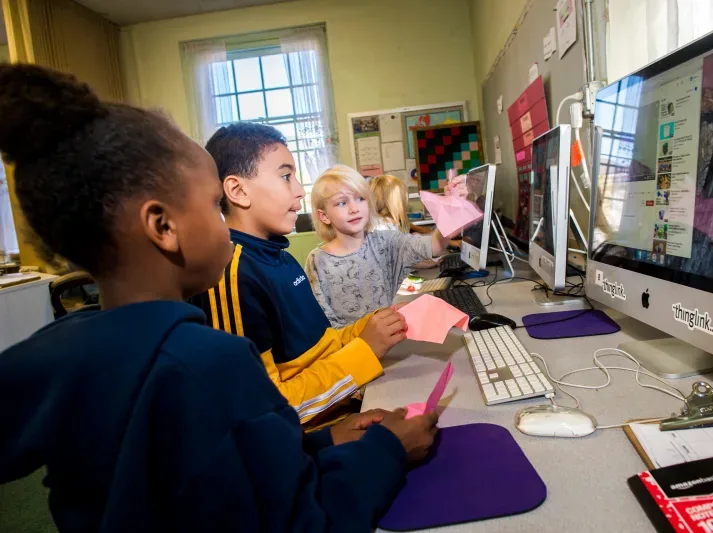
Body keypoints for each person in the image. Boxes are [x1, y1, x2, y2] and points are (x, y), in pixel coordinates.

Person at [0, 64, 438, 533]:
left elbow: (199, 474)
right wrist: (388, 451)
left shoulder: (57, 350)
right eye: (214, 205)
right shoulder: (209, 363)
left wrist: (321, 442)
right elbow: (300, 521)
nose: (225, 222)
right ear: (163, 226)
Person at [191, 123, 407, 425]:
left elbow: (320, 350)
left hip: (343, 408)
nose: (300, 190)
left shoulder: (281, 257)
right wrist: (365, 350)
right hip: (310, 439)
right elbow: (263, 411)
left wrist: (368, 327)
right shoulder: (231, 274)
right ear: (238, 191)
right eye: (286, 176)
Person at [305, 165, 450, 328]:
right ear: (324, 216)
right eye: (342, 203)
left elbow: (435, 246)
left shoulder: (385, 242)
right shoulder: (318, 261)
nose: (354, 208)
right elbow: (321, 323)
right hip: (350, 343)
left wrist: (451, 208)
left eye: (360, 199)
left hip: (390, 337)